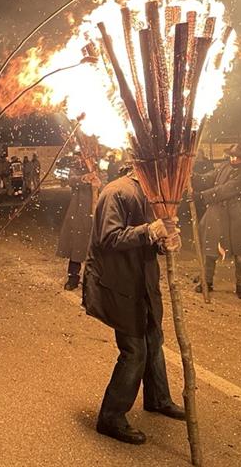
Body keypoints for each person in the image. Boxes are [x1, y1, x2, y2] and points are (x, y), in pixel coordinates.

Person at [82, 165, 185, 445]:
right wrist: (150, 231)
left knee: (154, 338)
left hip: (143, 283)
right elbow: (109, 238)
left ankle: (158, 398)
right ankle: (111, 417)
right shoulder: (117, 192)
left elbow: (149, 241)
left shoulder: (152, 195)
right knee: (134, 350)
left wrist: (164, 242)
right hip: (119, 284)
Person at [192, 143, 241, 300]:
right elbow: (208, 178)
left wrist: (201, 196)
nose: (233, 159)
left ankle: (240, 285)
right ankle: (207, 281)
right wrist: (192, 176)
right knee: (210, 249)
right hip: (216, 211)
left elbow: (227, 189)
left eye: (237, 157)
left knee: (240, 253)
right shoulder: (224, 166)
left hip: (236, 214)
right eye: (232, 155)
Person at [59, 157, 100, 291]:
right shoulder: (75, 169)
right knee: (77, 246)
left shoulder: (101, 168)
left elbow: (108, 184)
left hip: (98, 212)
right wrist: (84, 178)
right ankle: (73, 278)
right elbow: (70, 180)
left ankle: (95, 280)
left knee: (96, 247)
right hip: (79, 213)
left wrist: (98, 184)